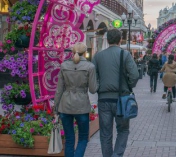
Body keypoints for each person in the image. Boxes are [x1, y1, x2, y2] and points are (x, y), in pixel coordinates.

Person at [92, 29, 139, 157]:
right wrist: (128, 86)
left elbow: (92, 77)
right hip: (121, 99)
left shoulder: (98, 56)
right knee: (123, 130)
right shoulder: (125, 54)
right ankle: (117, 155)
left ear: (107, 39)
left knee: (105, 133)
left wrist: (98, 88)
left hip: (103, 99)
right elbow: (134, 75)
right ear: (120, 40)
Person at [54, 42, 98, 157]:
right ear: (85, 52)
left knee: (69, 139)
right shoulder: (90, 67)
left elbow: (59, 89)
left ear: (72, 52)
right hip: (82, 105)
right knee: (83, 138)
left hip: (65, 105)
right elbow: (93, 89)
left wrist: (55, 108)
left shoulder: (64, 65)